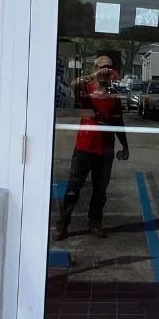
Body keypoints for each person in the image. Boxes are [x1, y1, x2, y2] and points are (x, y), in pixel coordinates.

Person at [55, 53, 129, 241]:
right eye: (101, 68)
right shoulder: (86, 89)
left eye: (108, 69)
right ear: (95, 68)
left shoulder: (114, 94)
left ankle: (95, 222)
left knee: (100, 190)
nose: (105, 72)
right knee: (74, 187)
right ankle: (63, 224)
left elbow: (118, 122)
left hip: (105, 149)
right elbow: (73, 84)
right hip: (85, 146)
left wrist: (125, 146)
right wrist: (94, 77)